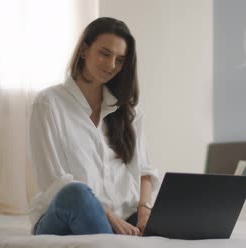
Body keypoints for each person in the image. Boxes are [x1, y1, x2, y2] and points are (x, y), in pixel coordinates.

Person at [28, 17, 160, 236]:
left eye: (120, 60)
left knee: (184, 209)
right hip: (67, 215)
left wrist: (145, 212)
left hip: (125, 217)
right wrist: (109, 217)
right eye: (104, 54)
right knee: (76, 193)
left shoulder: (127, 111)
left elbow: (144, 170)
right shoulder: (49, 103)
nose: (111, 65)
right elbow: (53, 181)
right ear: (84, 51)